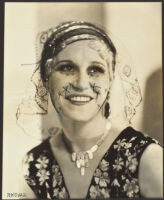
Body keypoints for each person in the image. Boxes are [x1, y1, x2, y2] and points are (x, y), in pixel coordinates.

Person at [20, 21, 163, 199]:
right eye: (67, 67)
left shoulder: (147, 159)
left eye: (95, 70)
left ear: (110, 80)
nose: (81, 84)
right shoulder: (34, 164)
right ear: (47, 78)